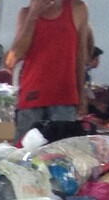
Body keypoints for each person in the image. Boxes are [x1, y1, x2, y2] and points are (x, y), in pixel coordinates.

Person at [11, 0, 93, 137]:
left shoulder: (78, 9)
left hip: (65, 98)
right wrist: (33, 14)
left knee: (59, 155)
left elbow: (80, 54)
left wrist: (81, 92)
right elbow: (17, 53)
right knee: (25, 154)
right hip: (31, 98)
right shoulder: (25, 14)